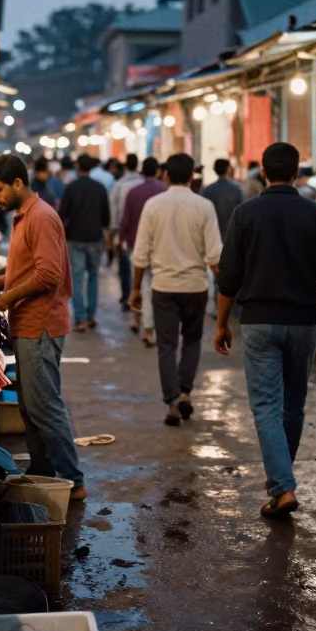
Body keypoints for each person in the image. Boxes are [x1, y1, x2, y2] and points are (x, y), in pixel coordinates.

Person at [214, 142, 316, 518]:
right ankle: (282, 482)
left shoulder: (245, 214)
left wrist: (221, 323)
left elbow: (229, 277)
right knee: (293, 406)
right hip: (305, 323)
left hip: (259, 322)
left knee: (265, 407)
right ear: (297, 174)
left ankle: (283, 486)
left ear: (263, 172)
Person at [0, 153, 85, 499]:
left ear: (18, 184)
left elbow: (48, 274)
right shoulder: (23, 216)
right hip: (27, 323)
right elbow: (26, 269)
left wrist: (8, 297)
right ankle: (42, 469)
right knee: (29, 405)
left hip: (40, 324)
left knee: (45, 405)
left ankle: (74, 479)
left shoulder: (41, 218)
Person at [131, 153, 223, 426]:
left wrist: (135, 288)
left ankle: (172, 401)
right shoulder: (205, 206)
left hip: (163, 287)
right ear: (192, 176)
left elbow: (140, 254)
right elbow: (215, 257)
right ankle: (185, 391)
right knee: (192, 341)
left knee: (167, 346)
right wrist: (229, 290)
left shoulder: (153, 205)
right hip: (195, 287)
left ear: (166, 176)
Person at [57, 153, 110, 332]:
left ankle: (80, 319)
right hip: (95, 238)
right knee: (94, 276)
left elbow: (62, 214)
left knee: (77, 279)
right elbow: (106, 217)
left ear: (78, 167)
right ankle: (91, 315)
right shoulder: (100, 188)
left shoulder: (71, 187)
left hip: (75, 238)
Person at [119, 157, 166, 346]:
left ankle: (142, 324)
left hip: (136, 245)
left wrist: (120, 240)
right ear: (158, 172)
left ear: (141, 172)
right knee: (157, 288)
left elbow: (126, 220)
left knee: (140, 286)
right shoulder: (164, 191)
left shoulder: (133, 192)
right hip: (160, 247)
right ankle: (152, 328)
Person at [109, 153, 143, 310]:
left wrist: (113, 232)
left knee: (124, 266)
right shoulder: (143, 183)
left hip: (125, 232)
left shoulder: (119, 185)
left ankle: (126, 296)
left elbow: (114, 210)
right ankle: (139, 295)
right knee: (141, 266)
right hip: (142, 232)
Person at [201, 158, 244, 242]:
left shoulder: (207, 190)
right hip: (232, 234)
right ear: (228, 169)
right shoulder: (237, 189)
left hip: (213, 235)